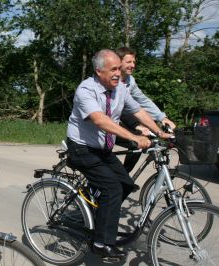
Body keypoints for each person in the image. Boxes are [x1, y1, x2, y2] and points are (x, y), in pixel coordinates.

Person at [66, 49, 171, 260]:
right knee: (111, 187)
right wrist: (134, 137)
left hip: (102, 148)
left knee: (125, 184)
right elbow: (100, 120)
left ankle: (100, 213)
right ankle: (100, 243)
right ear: (98, 71)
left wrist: (159, 131)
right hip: (82, 148)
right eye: (112, 69)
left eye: (118, 68)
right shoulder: (86, 90)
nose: (118, 73)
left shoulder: (121, 88)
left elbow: (138, 111)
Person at [115, 46, 176, 173]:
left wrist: (162, 118)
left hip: (124, 116)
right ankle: (116, 180)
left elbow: (142, 100)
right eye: (129, 62)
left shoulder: (130, 80)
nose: (133, 65)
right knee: (136, 140)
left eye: (134, 62)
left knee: (143, 141)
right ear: (118, 62)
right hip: (108, 120)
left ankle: (124, 176)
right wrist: (137, 126)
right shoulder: (110, 81)